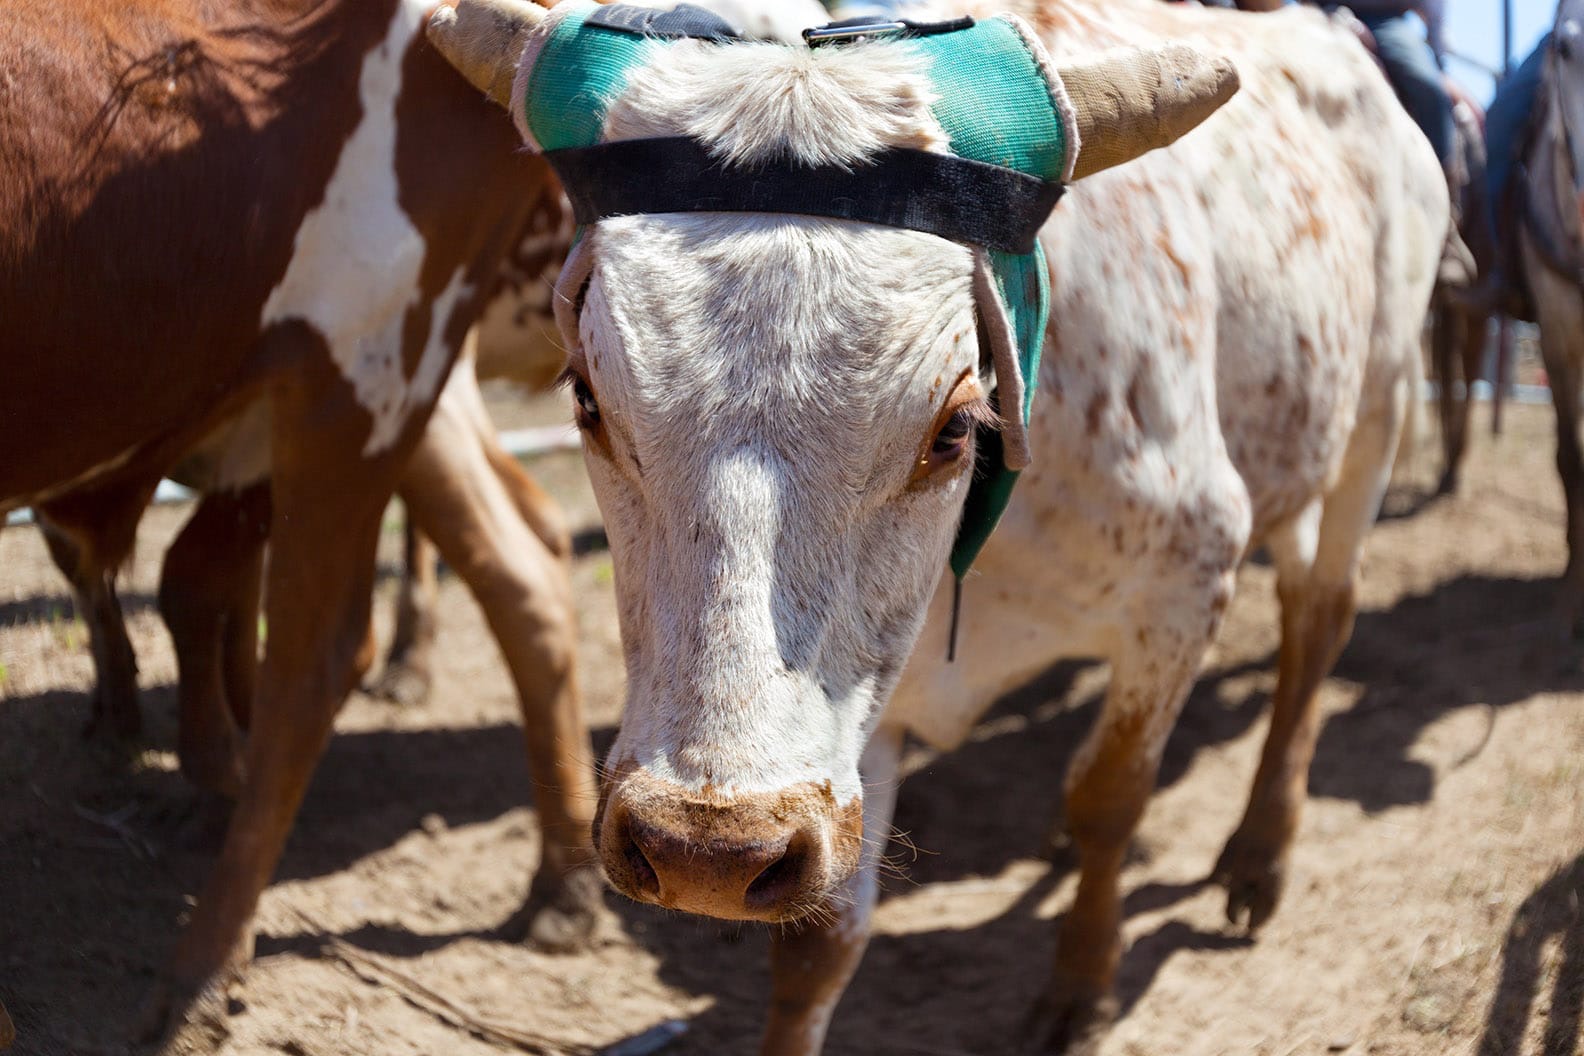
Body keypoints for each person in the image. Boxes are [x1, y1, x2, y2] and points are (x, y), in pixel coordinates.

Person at [1343, 1, 1457, 168]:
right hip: (1316, 11)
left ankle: (1441, 170)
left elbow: (1432, 7)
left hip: (1383, 22)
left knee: (1429, 90)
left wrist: (1440, 66)